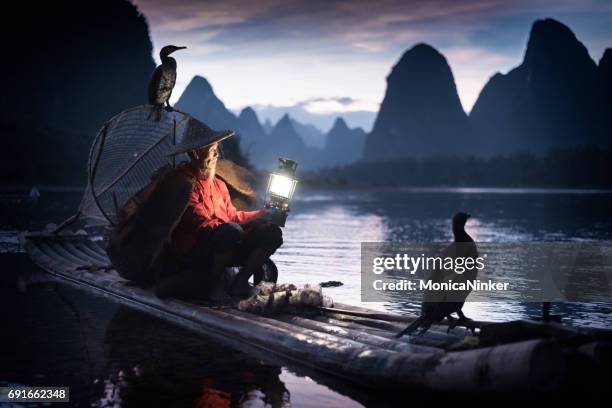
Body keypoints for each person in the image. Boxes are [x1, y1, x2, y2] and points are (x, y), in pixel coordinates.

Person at [106, 117, 283, 301]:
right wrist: (247, 223)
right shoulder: (181, 183)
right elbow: (202, 225)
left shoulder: (218, 185)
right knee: (230, 231)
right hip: (195, 251)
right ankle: (213, 287)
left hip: (224, 244)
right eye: (212, 151)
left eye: (216, 151)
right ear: (197, 153)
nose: (216, 156)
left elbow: (231, 215)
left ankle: (240, 282)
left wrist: (264, 214)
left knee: (271, 232)